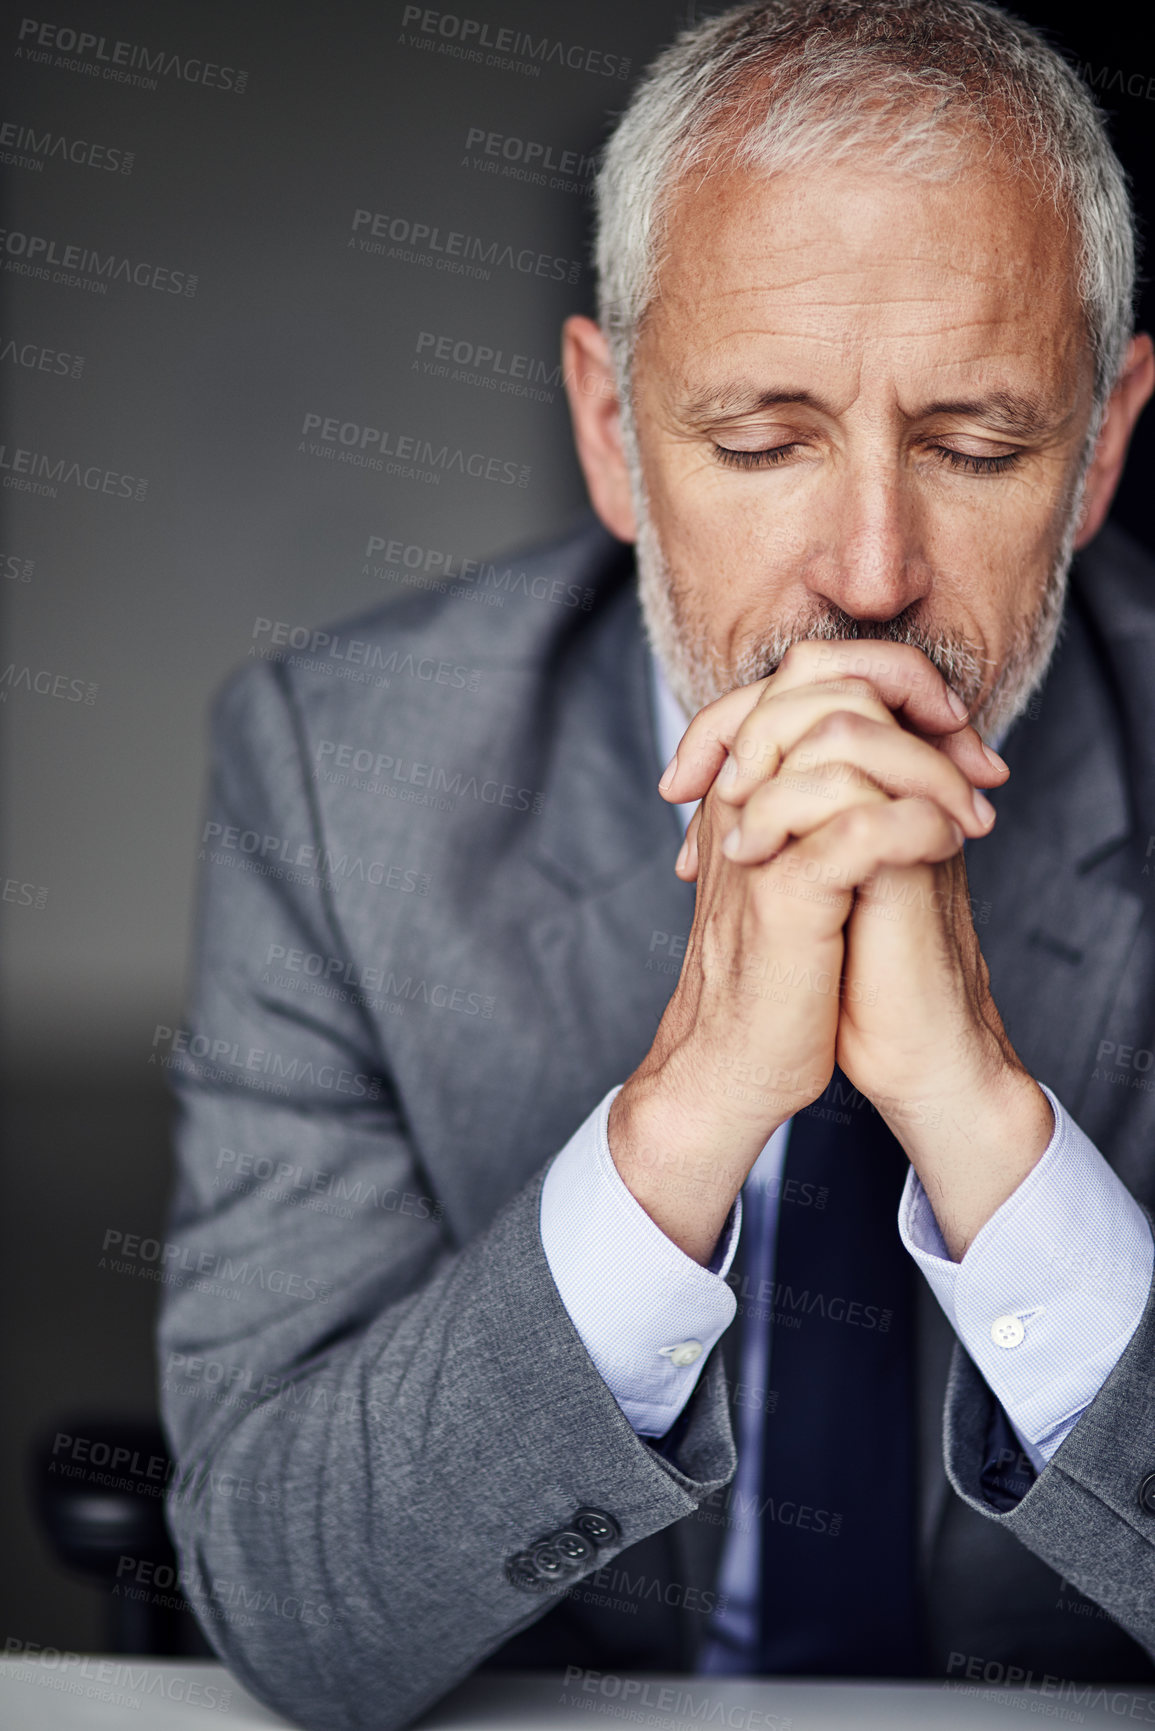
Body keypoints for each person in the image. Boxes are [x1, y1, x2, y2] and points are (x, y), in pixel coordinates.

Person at [157, 2, 1155, 1727]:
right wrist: (682, 1118)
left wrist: (993, 1137)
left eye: (978, 448)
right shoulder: (336, 783)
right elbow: (290, 1602)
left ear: (1101, 452)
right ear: (613, 435)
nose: (867, 574)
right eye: (763, 444)